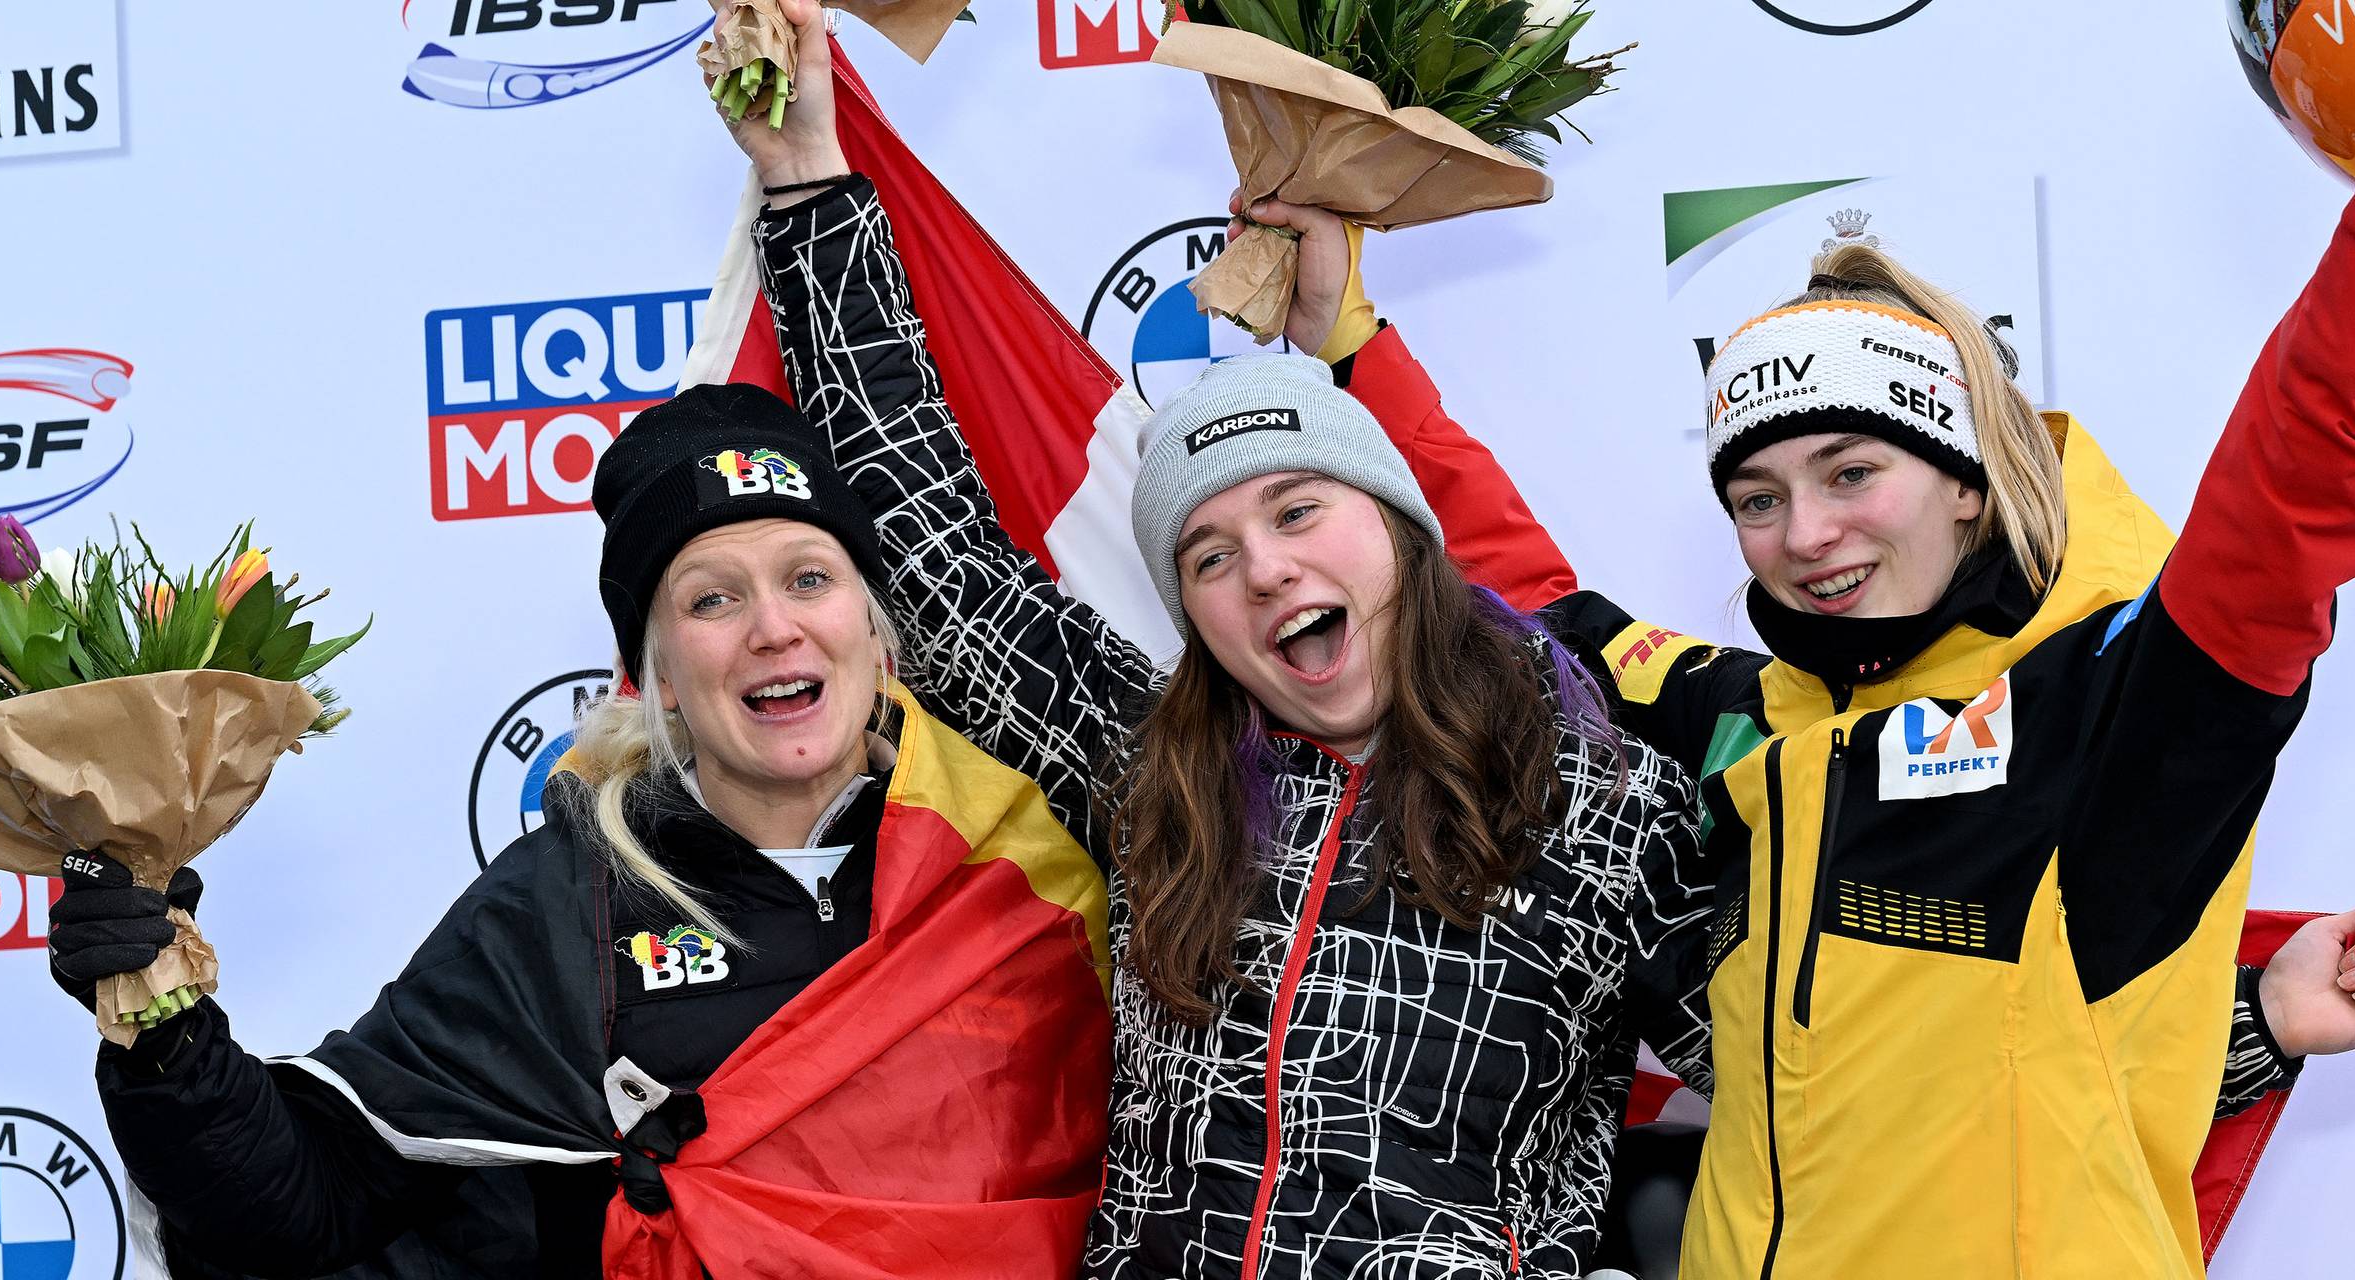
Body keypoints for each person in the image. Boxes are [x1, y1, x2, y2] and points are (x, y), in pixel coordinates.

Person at [1230, 0, 2355, 1271]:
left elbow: (2313, 448)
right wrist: (1345, 336)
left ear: (1967, 481)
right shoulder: (1743, 719)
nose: (1805, 534)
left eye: (1850, 473)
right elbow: (1526, 602)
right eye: (1757, 498)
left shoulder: (2114, 715)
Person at [717, 7, 1715, 1275]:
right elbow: (931, 540)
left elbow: (1818, 1072)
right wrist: (807, 178)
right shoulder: (1156, 775)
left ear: (1401, 531)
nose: (1267, 567)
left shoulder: (1605, 798)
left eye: (1299, 509)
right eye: (1210, 556)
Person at [45, 385, 1111, 1277]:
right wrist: (163, 1024)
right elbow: (305, 1202)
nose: (774, 625)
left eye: (809, 577)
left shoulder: (1025, 876)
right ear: (658, 678)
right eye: (711, 598)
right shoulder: (572, 894)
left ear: (874, 634)